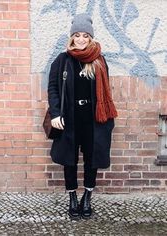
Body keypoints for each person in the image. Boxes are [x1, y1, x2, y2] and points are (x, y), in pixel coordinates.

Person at [47, 13, 118, 220]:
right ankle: (72, 199)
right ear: (71, 37)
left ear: (90, 38)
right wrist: (55, 113)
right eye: (76, 35)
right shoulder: (62, 60)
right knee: (70, 161)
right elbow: (53, 88)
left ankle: (87, 198)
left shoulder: (99, 61)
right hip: (69, 119)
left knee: (92, 160)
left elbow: (105, 92)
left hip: (94, 120)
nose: (80, 39)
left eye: (85, 35)